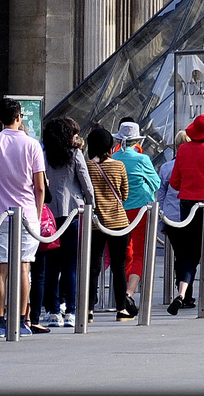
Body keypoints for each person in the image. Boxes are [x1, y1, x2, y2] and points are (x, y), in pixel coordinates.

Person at [0, 98, 47, 336]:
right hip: (27, 212)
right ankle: (19, 320)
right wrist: (37, 216)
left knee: (1, 270)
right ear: (19, 117)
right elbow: (39, 187)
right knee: (24, 268)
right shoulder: (32, 145)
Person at [166, 115, 204, 313]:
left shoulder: (183, 149)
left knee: (189, 252)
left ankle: (181, 293)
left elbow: (175, 182)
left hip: (187, 204)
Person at [38, 117, 91, 329]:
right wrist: (90, 206)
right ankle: (71, 310)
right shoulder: (75, 155)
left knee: (51, 264)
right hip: (73, 211)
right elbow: (86, 184)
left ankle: (52, 310)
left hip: (50, 213)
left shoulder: (44, 155)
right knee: (71, 264)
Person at [109, 122, 159, 313]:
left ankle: (122, 293)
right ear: (137, 140)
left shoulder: (113, 158)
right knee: (139, 253)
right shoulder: (142, 159)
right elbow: (156, 182)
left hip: (118, 210)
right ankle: (129, 292)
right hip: (139, 209)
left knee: (123, 253)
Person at [83, 127, 132, 319]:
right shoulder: (118, 165)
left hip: (95, 221)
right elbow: (125, 194)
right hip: (118, 220)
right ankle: (121, 308)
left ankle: (89, 310)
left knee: (93, 266)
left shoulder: (88, 166)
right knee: (118, 266)